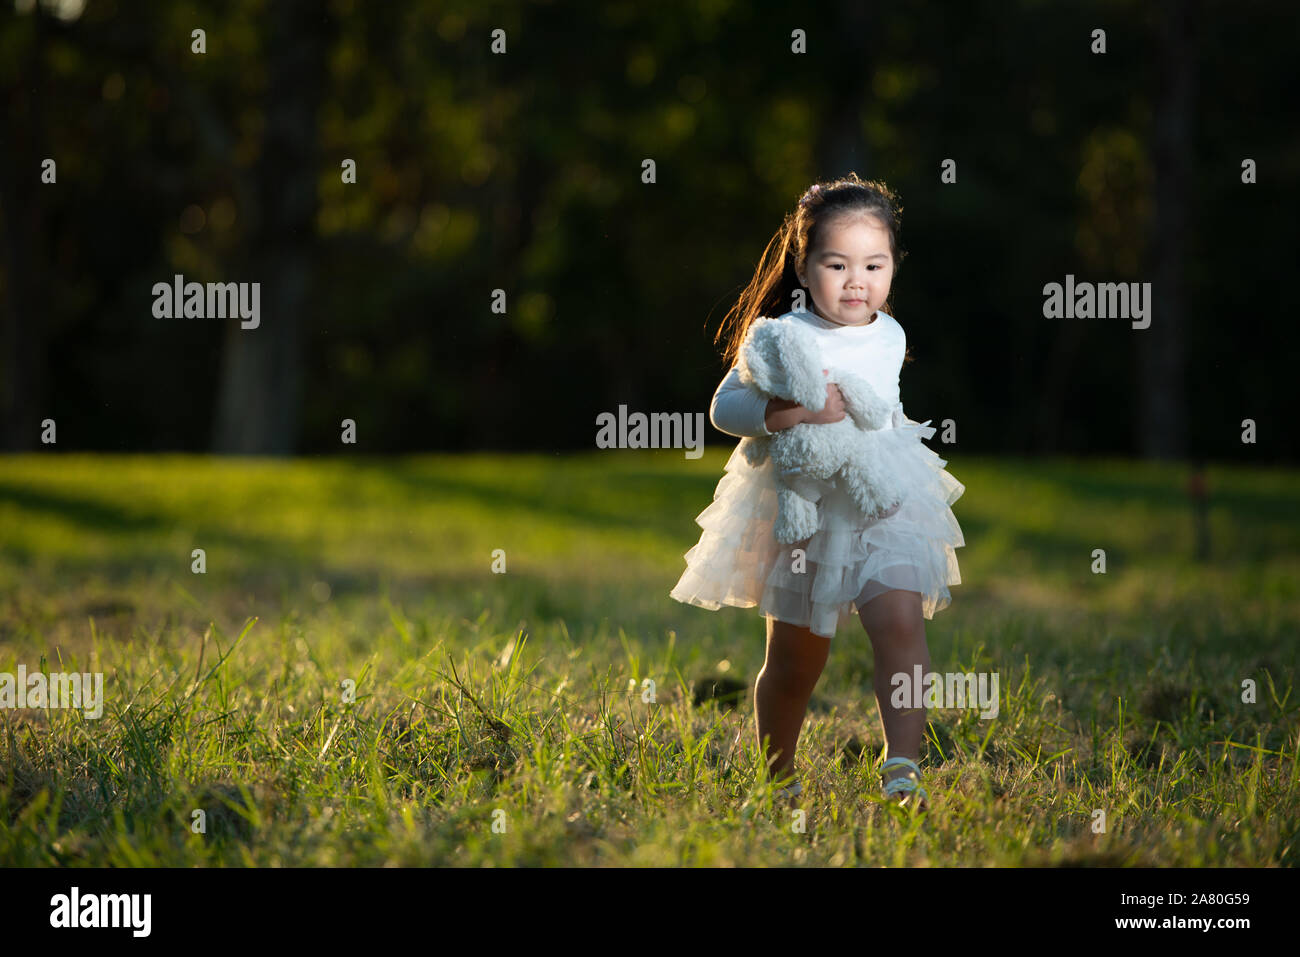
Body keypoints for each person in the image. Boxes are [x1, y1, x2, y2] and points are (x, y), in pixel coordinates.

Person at [669, 173, 965, 812]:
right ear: (804, 266)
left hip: (884, 495)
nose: (857, 281)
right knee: (797, 659)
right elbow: (725, 406)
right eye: (838, 264)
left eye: (873, 264)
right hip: (805, 507)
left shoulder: (890, 333)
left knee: (901, 623)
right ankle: (778, 772)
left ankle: (903, 767)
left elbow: (882, 412)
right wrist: (784, 413)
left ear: (891, 269)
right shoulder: (779, 335)